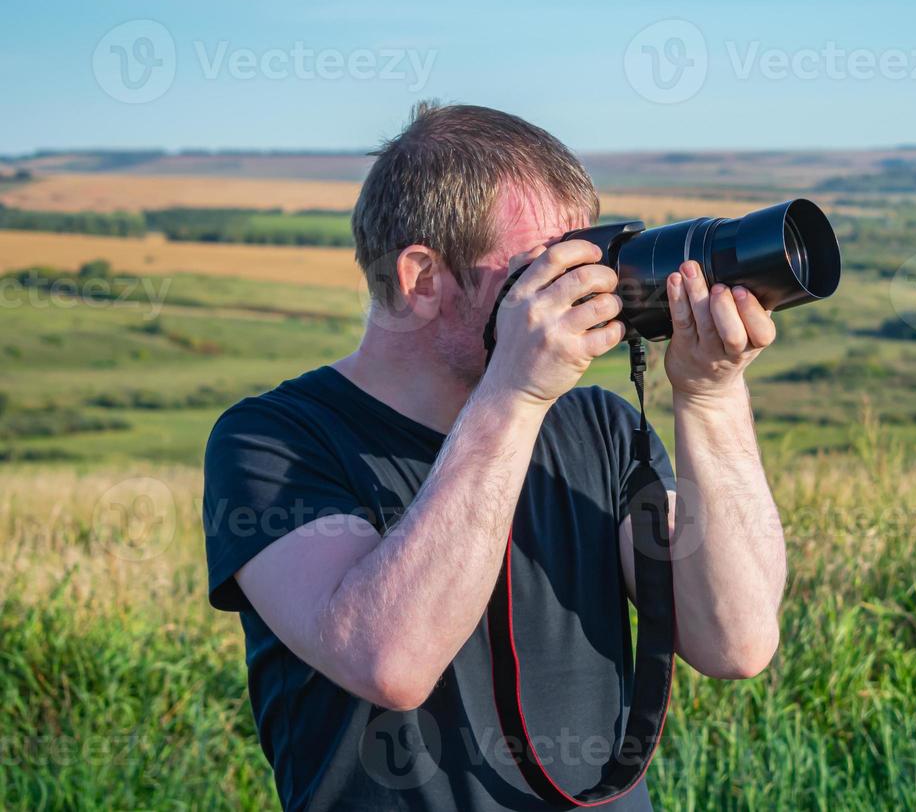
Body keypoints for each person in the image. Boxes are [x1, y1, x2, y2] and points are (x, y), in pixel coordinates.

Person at [202, 103, 786, 811]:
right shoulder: (277, 441)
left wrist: (710, 397)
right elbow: (390, 660)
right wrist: (514, 395)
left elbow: (736, 642)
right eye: (546, 266)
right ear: (422, 280)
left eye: (587, 256)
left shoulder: (596, 427)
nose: (583, 289)